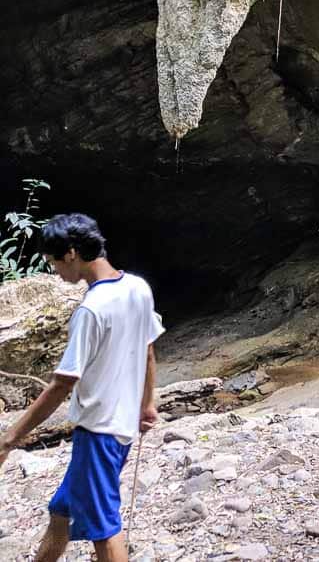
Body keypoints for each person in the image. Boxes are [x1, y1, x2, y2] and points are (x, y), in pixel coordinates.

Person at [0, 214, 164, 562]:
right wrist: (147, 404)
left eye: (54, 262)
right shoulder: (138, 288)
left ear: (71, 253)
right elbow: (149, 349)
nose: (56, 273)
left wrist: (10, 437)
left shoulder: (90, 310)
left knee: (104, 531)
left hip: (97, 434)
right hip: (117, 431)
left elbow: (62, 384)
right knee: (61, 510)